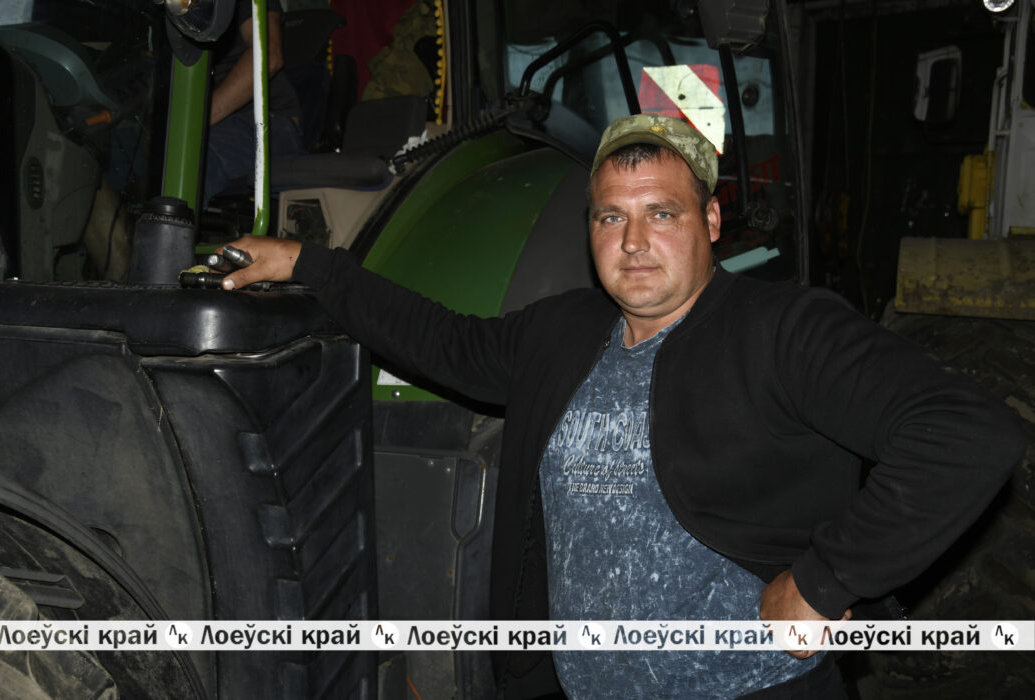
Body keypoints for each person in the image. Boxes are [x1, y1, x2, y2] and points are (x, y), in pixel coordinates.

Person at [217, 114, 1026, 698]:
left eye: (661, 214)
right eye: (612, 216)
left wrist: (825, 579)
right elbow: (441, 340)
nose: (634, 242)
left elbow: (966, 431)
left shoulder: (783, 330)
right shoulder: (562, 332)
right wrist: (310, 264)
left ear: (711, 220)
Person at [202, 0, 303, 207]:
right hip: (211, 123)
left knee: (192, 157)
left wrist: (195, 123)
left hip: (266, 120)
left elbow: (268, 55)